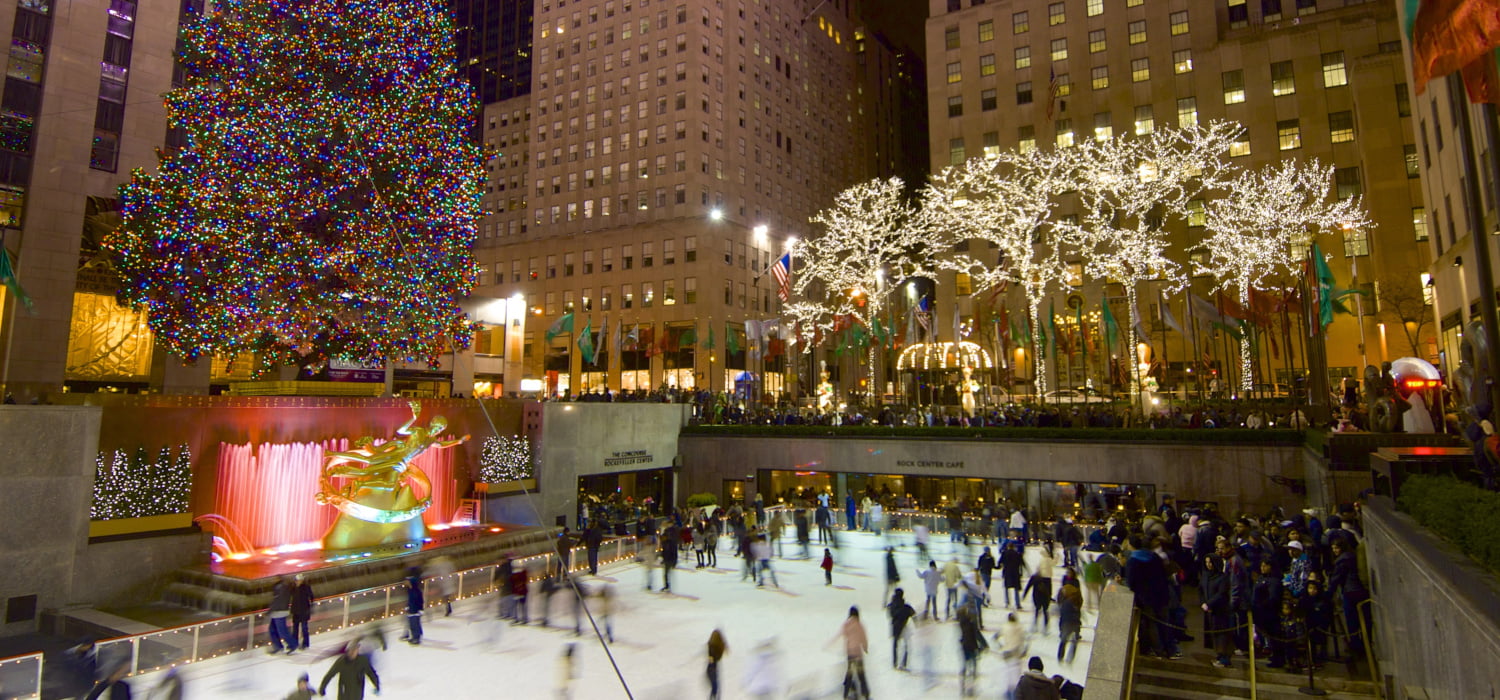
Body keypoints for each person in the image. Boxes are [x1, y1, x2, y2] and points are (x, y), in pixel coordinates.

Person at [1199, 554, 1234, 668]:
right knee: (1214, 634)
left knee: (1222, 635)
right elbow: (1201, 590)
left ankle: (1224, 657)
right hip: (1209, 611)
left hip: (1220, 610)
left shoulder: (1223, 577)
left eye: (1210, 562)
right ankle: (1219, 655)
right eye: (1206, 562)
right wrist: (1203, 602)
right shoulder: (1205, 575)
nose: (1208, 565)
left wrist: (1209, 604)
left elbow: (1221, 594)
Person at [831, 606, 870, 699]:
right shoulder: (860, 624)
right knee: (861, 675)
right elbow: (863, 637)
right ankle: (866, 694)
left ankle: (845, 693)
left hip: (851, 654)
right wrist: (865, 647)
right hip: (858, 654)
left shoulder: (846, 624)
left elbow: (842, 635)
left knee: (850, 674)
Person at [957, 605, 985, 697]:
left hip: (965, 647)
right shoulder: (971, 623)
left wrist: (961, 641)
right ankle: (972, 689)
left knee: (965, 667)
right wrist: (985, 645)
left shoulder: (961, 623)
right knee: (973, 668)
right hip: (972, 647)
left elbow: (963, 635)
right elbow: (977, 634)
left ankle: (963, 687)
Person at [885, 588, 915, 670]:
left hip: (895, 627)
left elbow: (890, 615)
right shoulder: (905, 606)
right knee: (905, 646)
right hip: (904, 627)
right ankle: (903, 664)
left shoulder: (891, 605)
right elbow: (913, 613)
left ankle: (895, 663)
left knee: (895, 645)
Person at [268, 576, 297, 654]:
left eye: (274, 578)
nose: (272, 579)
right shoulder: (281, 587)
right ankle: (278, 646)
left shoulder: (280, 587)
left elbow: (277, 601)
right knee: (272, 629)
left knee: (282, 631)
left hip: (279, 612)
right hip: (277, 612)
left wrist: (269, 611)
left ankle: (293, 644)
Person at [1056, 581, 1083, 663]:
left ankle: (1060, 657)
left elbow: (1063, 616)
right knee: (1073, 642)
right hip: (1073, 624)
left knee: (1064, 641)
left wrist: (1061, 628)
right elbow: (1077, 614)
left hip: (1067, 624)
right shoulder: (1076, 601)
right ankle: (1069, 658)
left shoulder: (1067, 603)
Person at [1001, 540, 1028, 610]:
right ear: (1014, 547)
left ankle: (1007, 602)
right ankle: (1018, 604)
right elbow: (1022, 563)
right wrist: (1027, 570)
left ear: (1008, 547)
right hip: (1015, 573)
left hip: (1007, 573)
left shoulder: (1004, 553)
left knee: (1006, 588)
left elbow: (1000, 562)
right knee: (1016, 589)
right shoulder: (1017, 554)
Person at [291, 574, 316, 650]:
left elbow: (311, 597)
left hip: (304, 612)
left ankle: (305, 643)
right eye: (295, 580)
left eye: (297, 580)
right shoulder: (294, 588)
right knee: (295, 628)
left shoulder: (306, 588)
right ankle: (294, 643)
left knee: (304, 628)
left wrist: (309, 607)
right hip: (296, 612)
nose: (296, 582)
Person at [402, 568, 424, 644]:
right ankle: (415, 636)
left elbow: (420, 600)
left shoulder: (416, 591)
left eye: (407, 581)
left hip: (415, 611)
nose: (405, 583)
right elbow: (410, 600)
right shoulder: (410, 590)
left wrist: (421, 609)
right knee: (412, 625)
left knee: (415, 625)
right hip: (411, 610)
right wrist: (408, 606)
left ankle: (416, 638)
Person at [706, 629, 728, 700]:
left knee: (715, 688)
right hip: (712, 669)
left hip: (712, 668)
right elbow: (713, 658)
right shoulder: (712, 646)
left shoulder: (712, 645)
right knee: (716, 688)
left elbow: (712, 658)